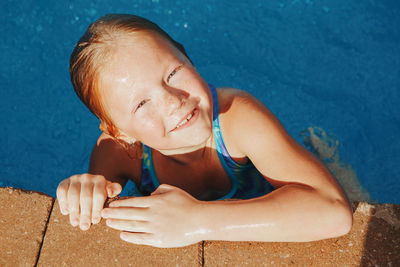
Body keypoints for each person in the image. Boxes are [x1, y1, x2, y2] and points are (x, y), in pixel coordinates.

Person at [57, 14, 353, 248]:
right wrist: (85, 190)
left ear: (187, 57)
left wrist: (197, 221)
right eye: (142, 103)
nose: (174, 102)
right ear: (121, 133)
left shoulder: (237, 116)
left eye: (173, 73)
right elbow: (95, 205)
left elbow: (334, 212)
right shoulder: (118, 152)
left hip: (276, 188)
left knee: (349, 192)